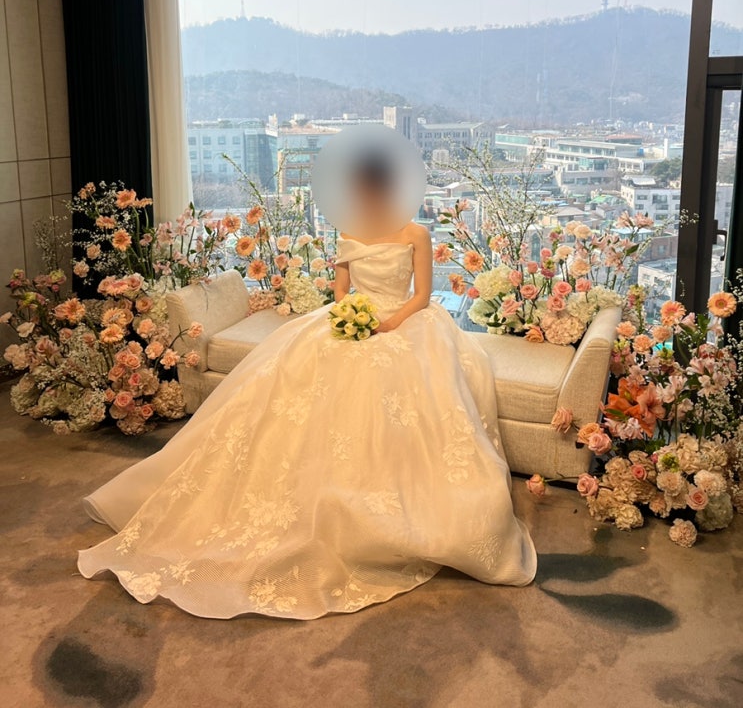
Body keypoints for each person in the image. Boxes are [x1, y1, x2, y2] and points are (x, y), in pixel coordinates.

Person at [77, 153, 537, 619]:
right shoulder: (348, 231)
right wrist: (351, 315)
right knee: (292, 372)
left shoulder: (415, 233)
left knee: (410, 384)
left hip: (407, 322)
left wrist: (388, 324)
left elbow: (421, 295)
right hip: (353, 319)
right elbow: (341, 291)